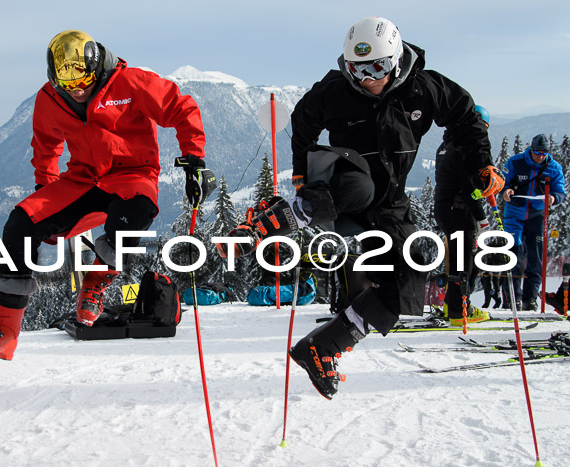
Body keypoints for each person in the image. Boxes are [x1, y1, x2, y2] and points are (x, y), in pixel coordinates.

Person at [216, 17, 503, 399]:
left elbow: (466, 117)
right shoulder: (335, 90)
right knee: (358, 185)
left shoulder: (424, 88)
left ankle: (323, 348)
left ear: (397, 61)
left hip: (389, 202)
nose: (366, 78)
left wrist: (481, 163)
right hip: (343, 179)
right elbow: (302, 123)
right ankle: (264, 223)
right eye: (357, 69)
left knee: (408, 280)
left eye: (377, 68)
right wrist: (303, 176)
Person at [0, 30, 214, 360]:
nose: (78, 88)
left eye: (82, 78)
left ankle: (95, 283)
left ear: (95, 68)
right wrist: (46, 192)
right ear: (54, 79)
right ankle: (7, 330)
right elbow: (46, 148)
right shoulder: (49, 99)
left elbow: (179, 107)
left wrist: (194, 159)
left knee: (134, 214)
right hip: (83, 180)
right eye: (67, 82)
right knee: (21, 224)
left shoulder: (129, 82)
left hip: (133, 175)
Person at [433, 105, 495, 325]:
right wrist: (482, 216)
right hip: (459, 209)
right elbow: (469, 188)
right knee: (465, 261)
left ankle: (454, 304)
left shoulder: (446, 144)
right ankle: (460, 312)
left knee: (458, 259)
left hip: (444, 208)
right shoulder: (465, 147)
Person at [501, 134, 565, 311]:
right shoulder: (516, 162)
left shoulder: (553, 167)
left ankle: (530, 299)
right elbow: (502, 182)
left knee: (535, 257)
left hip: (537, 215)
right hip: (515, 213)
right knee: (514, 254)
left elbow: (560, 191)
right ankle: (512, 298)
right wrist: (506, 191)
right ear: (531, 149)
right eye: (537, 152)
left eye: (544, 153)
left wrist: (554, 198)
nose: (540, 156)